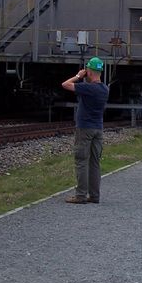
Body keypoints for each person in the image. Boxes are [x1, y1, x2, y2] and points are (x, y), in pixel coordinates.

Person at [61, 56, 109, 204]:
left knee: (81, 161)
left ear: (90, 71)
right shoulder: (105, 89)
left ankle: (80, 195)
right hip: (98, 129)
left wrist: (78, 76)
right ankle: (94, 196)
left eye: (87, 69)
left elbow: (65, 84)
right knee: (95, 162)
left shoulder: (88, 88)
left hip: (84, 129)